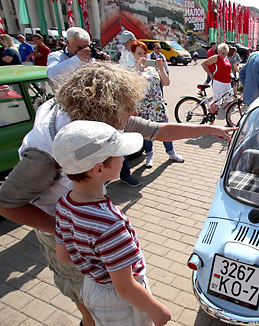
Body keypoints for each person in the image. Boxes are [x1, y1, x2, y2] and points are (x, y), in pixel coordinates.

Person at [0, 62, 234, 326]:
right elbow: (7, 205)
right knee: (81, 292)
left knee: (90, 291)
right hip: (66, 230)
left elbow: (158, 130)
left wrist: (211, 129)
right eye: (127, 108)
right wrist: (72, 230)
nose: (133, 112)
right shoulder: (45, 155)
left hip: (74, 226)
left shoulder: (95, 122)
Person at [52, 120, 172, 326]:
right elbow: (125, 286)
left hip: (91, 288)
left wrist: (95, 265)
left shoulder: (64, 203)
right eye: (120, 155)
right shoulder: (110, 224)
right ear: (98, 170)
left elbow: (63, 256)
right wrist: (158, 311)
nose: (124, 158)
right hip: (120, 299)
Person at [131, 40, 184, 167]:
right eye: (139, 53)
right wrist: (138, 65)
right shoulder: (132, 69)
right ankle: (149, 155)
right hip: (144, 107)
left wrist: (161, 68)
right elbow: (129, 81)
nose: (143, 56)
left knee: (165, 130)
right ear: (133, 54)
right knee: (148, 133)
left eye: (144, 53)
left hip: (158, 105)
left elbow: (166, 83)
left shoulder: (152, 68)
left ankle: (171, 152)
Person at [201, 43, 232, 116]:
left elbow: (229, 71)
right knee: (216, 103)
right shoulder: (216, 58)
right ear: (219, 51)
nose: (223, 55)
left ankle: (229, 119)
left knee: (229, 101)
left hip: (227, 83)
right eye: (222, 53)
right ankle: (211, 119)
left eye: (225, 53)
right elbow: (204, 64)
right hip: (219, 82)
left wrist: (232, 76)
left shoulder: (227, 60)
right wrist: (210, 74)